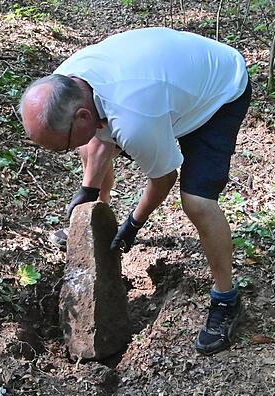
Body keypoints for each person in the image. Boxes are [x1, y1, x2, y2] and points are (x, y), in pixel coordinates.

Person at [19, 27, 251, 355]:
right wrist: (88, 191)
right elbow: (97, 138)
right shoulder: (65, 83)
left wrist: (134, 224)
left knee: (197, 201)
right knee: (89, 149)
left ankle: (227, 299)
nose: (63, 153)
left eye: (62, 147)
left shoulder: (135, 120)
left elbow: (164, 178)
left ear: (84, 115)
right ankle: (96, 226)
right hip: (167, 85)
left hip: (217, 93)